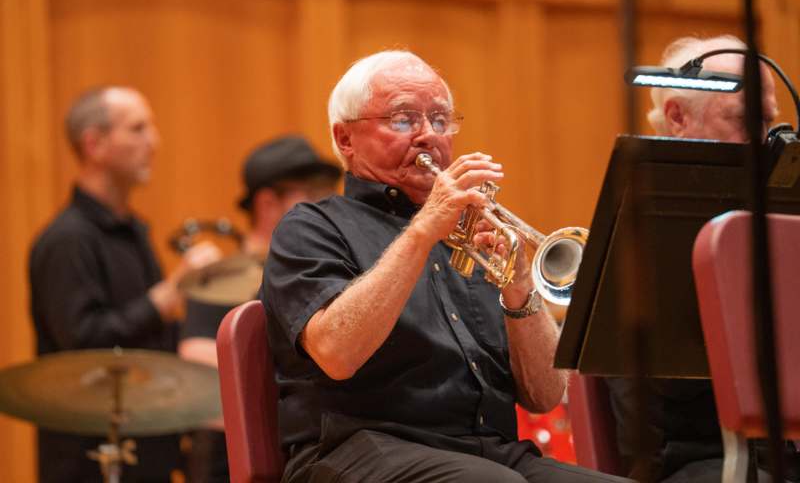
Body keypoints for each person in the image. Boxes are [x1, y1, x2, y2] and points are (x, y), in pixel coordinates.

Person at [263, 50, 632, 482]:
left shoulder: (469, 233)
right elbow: (336, 354)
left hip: (488, 451)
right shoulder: (311, 227)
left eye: (440, 121)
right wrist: (421, 234)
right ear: (345, 139)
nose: (427, 135)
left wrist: (517, 288)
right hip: (358, 451)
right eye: (403, 120)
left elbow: (544, 395)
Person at [606, 34, 799, 482]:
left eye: (768, 123)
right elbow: (664, 398)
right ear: (677, 117)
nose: (763, 141)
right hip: (693, 460)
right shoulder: (642, 229)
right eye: (742, 120)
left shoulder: (774, 216)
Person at [29, 86, 220, 483]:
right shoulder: (67, 240)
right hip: (90, 460)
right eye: (137, 129)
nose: (154, 142)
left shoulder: (133, 231)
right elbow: (83, 344)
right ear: (94, 144)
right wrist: (167, 296)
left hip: (147, 445)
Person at [178, 135, 341, 483]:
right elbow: (195, 355)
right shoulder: (223, 278)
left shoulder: (326, 268)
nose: (329, 205)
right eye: (313, 194)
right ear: (268, 203)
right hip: (234, 448)